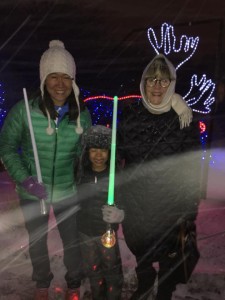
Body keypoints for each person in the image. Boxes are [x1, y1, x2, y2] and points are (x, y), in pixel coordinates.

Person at [0, 40, 92, 300]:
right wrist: (25, 180)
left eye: (66, 77)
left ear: (73, 80)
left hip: (67, 189)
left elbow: (84, 154)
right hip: (33, 191)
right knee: (37, 242)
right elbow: (6, 147)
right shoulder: (24, 111)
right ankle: (42, 284)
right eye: (54, 76)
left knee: (73, 241)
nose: (60, 83)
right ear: (44, 79)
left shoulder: (81, 115)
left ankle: (74, 283)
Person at [117, 53, 202, 300]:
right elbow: (115, 157)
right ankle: (144, 283)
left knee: (168, 253)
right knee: (141, 250)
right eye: (151, 79)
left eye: (164, 81)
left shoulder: (184, 118)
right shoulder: (130, 115)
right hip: (137, 202)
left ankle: (165, 290)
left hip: (170, 203)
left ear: (172, 84)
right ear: (143, 83)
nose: (157, 86)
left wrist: (189, 207)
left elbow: (191, 166)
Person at [76, 125, 124, 300]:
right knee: (93, 271)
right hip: (84, 233)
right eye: (93, 150)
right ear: (87, 152)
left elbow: (125, 200)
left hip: (106, 233)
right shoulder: (80, 175)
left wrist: (120, 213)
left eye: (103, 150)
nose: (98, 155)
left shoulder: (116, 176)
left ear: (109, 152)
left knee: (112, 271)